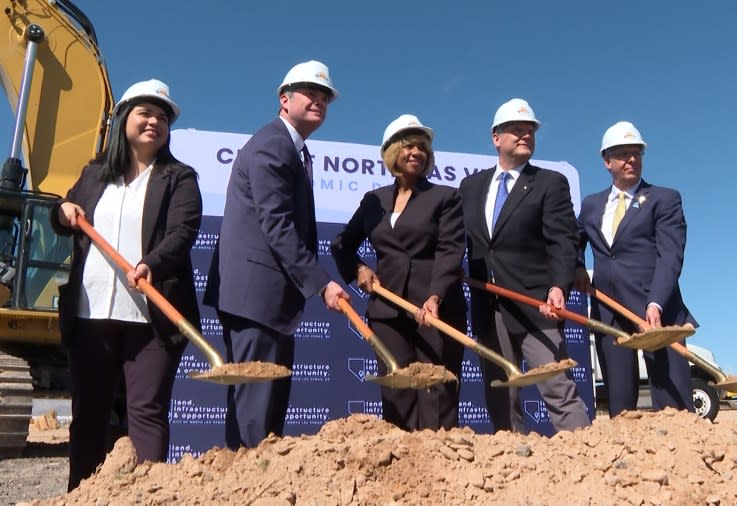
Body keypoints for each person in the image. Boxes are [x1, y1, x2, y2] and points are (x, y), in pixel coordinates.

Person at [51, 79, 201, 490]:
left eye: (162, 116)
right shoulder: (96, 173)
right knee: (89, 415)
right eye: (145, 113)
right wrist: (62, 210)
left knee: (146, 412)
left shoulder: (179, 177)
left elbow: (183, 230)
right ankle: (81, 495)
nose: (154, 121)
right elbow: (63, 212)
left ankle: (144, 496)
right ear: (124, 120)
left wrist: (153, 262)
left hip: (151, 318)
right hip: (91, 313)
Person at [204, 61, 349, 449]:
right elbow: (277, 224)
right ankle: (252, 481)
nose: (319, 100)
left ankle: (254, 479)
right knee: (256, 407)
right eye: (310, 93)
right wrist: (321, 284)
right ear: (284, 100)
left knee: (263, 405)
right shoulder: (274, 144)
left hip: (265, 299)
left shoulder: (293, 149)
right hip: (256, 297)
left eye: (325, 97)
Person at [459, 98, 590, 433]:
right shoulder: (470, 187)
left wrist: (558, 286)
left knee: (557, 387)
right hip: (489, 306)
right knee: (501, 392)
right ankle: (510, 462)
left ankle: (586, 458)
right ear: (496, 137)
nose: (525, 136)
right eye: (516, 130)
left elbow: (563, 239)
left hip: (537, 305)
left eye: (529, 131)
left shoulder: (549, 182)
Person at [331, 114, 466, 431]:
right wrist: (359, 268)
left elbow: (450, 250)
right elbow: (342, 245)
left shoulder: (445, 198)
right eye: (408, 146)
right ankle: (406, 474)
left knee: (435, 393)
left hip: (435, 310)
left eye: (422, 148)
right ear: (392, 153)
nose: (416, 152)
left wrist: (435, 297)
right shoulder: (373, 201)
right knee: (398, 395)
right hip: (388, 311)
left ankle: (442, 470)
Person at [576, 121, 696, 418]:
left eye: (636, 153)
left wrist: (656, 302)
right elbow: (570, 243)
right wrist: (577, 267)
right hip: (609, 312)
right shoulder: (591, 206)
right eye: (622, 154)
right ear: (607, 161)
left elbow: (670, 256)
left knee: (674, 403)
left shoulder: (664, 199)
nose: (631, 159)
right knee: (621, 405)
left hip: (658, 312)